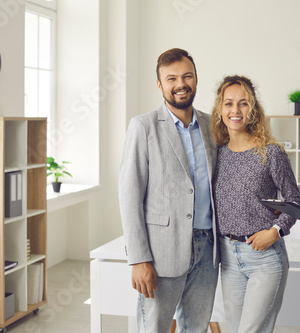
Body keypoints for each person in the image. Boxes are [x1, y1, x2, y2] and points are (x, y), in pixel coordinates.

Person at [118, 48, 219, 332]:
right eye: (171, 78)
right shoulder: (143, 127)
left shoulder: (213, 126)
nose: (180, 84)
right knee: (154, 328)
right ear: (160, 85)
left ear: (196, 79)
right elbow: (129, 196)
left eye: (187, 76)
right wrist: (139, 259)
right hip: (161, 252)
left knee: (196, 328)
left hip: (208, 248)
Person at [211, 75, 300, 333]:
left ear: (253, 109)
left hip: (264, 258)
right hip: (228, 259)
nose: (235, 111)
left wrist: (274, 232)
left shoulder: (271, 152)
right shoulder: (217, 152)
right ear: (220, 109)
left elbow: (294, 200)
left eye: (243, 103)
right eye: (228, 104)